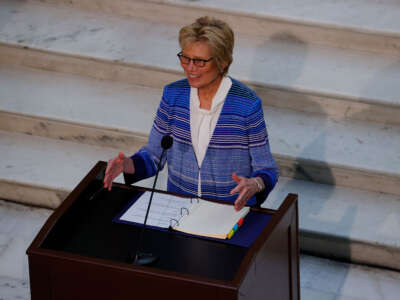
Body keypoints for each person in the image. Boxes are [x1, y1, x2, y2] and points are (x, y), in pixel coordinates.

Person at [104, 16, 279, 211]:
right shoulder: (173, 96)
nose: (190, 68)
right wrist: (126, 164)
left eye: (200, 62)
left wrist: (255, 184)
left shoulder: (246, 104)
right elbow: (154, 156)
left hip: (227, 212)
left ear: (223, 62)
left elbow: (267, 170)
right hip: (178, 209)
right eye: (185, 58)